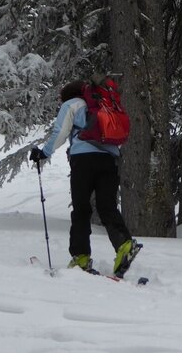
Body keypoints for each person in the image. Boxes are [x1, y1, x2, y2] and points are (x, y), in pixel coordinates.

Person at [30, 80, 141, 277]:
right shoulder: (105, 104)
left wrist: (44, 153)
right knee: (107, 206)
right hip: (110, 159)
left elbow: (61, 132)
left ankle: (81, 257)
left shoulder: (71, 104)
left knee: (81, 209)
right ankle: (124, 244)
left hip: (83, 160)